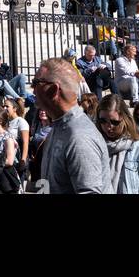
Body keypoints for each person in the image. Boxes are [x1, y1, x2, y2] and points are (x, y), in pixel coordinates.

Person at [32, 59, 111, 194]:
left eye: (36, 83)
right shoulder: (58, 128)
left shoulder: (79, 137)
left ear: (54, 90)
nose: (32, 90)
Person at [96, 93, 139, 194]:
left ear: (124, 119)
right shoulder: (93, 147)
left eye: (114, 122)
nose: (108, 126)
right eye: (103, 121)